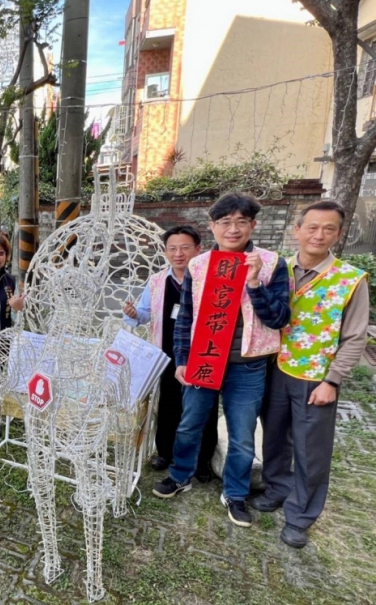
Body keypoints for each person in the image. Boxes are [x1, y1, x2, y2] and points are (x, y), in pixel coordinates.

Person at [152, 192, 291, 529]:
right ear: (212, 226)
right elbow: (185, 317)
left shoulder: (272, 262)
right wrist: (182, 360)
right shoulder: (199, 266)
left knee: (242, 434)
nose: (233, 229)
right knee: (189, 424)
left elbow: (280, 318)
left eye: (241, 222)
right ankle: (180, 474)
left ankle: (236, 493)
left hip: (248, 366)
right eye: (225, 222)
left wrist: (255, 282)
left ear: (253, 225)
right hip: (203, 359)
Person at [252, 201, 368, 548]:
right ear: (297, 230)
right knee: (274, 436)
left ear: (339, 233)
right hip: (275, 367)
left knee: (310, 449)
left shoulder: (349, 280)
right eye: (312, 227)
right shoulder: (277, 268)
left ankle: (301, 515)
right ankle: (277, 488)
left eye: (328, 229)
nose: (319, 235)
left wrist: (333, 380)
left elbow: (355, 336)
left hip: (315, 377)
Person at [123, 226, 218, 481]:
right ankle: (165, 451)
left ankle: (202, 460)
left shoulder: (209, 279)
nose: (179, 254)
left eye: (185, 248)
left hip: (203, 352)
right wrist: (134, 314)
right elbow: (145, 313)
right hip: (165, 351)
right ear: (165, 252)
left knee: (204, 408)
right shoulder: (157, 281)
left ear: (198, 249)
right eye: (173, 249)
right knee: (168, 404)